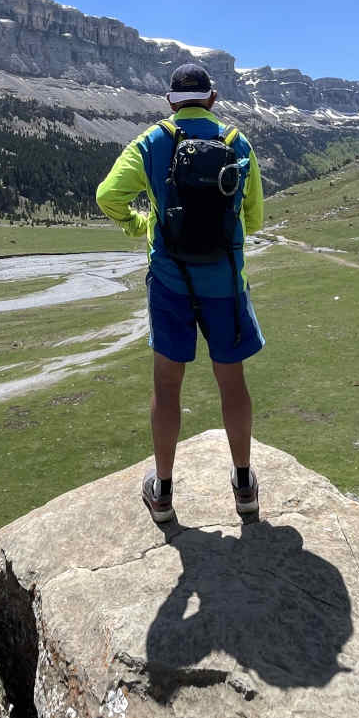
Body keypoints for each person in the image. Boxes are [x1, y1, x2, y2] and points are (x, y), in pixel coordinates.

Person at [96, 63, 265, 524]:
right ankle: (245, 486)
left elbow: (108, 195)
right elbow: (255, 220)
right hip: (226, 284)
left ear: (170, 101)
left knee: (167, 386)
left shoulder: (151, 141)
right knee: (233, 383)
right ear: (212, 98)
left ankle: (164, 491)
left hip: (170, 283)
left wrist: (140, 224)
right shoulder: (237, 142)